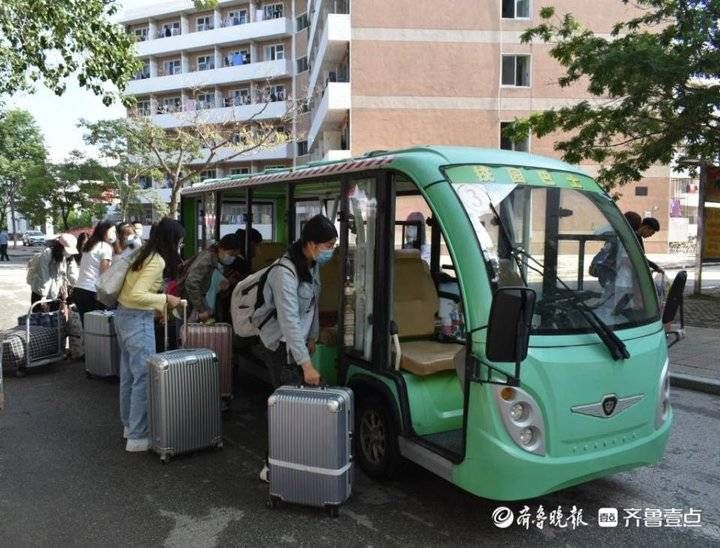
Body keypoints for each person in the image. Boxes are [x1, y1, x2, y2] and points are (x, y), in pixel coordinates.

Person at [254, 215, 337, 482]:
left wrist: (312, 336)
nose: (330, 251)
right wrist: (306, 364)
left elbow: (313, 303)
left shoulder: (311, 266)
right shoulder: (283, 272)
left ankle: (297, 459)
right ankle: (273, 466)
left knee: (297, 404)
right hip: (279, 345)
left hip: (298, 343)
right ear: (311, 244)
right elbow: (288, 321)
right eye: (328, 245)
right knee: (285, 406)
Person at [114, 217, 184, 452]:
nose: (180, 245)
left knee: (129, 376)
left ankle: (129, 427)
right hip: (136, 320)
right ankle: (137, 436)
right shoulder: (157, 261)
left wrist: (157, 306)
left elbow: (132, 293)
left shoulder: (145, 253)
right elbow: (137, 294)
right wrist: (166, 299)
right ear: (171, 240)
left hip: (123, 317)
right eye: (179, 240)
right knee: (143, 377)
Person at [181, 234, 242, 322]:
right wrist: (201, 309)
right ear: (221, 249)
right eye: (231, 254)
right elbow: (191, 283)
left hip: (203, 309)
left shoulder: (219, 262)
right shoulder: (207, 259)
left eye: (235, 256)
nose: (232, 258)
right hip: (192, 310)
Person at [74, 221, 116, 322]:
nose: (115, 234)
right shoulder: (104, 247)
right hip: (92, 292)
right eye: (113, 231)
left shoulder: (90, 244)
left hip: (79, 290)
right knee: (96, 327)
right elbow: (104, 274)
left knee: (87, 327)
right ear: (105, 231)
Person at [27, 234, 78, 311]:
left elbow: (73, 275)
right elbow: (43, 276)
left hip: (55, 292)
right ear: (60, 247)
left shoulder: (69, 257)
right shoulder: (47, 254)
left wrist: (76, 288)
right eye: (67, 250)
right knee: (39, 318)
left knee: (55, 318)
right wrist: (43, 296)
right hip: (39, 292)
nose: (69, 253)